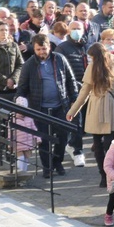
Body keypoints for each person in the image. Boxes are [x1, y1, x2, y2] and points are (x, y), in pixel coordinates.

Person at [16, 34, 79, 178]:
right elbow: (22, 88)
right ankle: (47, 167)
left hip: (60, 106)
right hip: (40, 109)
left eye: (44, 49)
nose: (41, 52)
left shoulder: (59, 59)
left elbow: (70, 80)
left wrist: (74, 98)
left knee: (63, 136)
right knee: (43, 139)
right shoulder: (29, 65)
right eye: (38, 50)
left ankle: (57, 162)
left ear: (49, 47)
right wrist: (19, 103)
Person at [66, 42, 114, 188]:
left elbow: (84, 92)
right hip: (113, 107)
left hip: (97, 107)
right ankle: (112, 175)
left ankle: (103, 176)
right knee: (111, 145)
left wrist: (72, 111)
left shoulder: (92, 67)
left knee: (98, 144)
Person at [55, 20, 90, 167]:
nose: (76, 31)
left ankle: (72, 144)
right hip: (73, 90)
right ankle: (77, 151)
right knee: (77, 120)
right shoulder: (62, 48)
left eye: (79, 28)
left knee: (85, 124)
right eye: (73, 28)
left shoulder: (88, 46)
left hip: (89, 88)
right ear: (69, 31)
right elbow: (60, 71)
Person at [0, 19, 23, 100]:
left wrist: (13, 79)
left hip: (13, 88)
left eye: (6, 30)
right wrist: (5, 80)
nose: (4, 32)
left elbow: (20, 64)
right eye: (1, 30)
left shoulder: (14, 46)